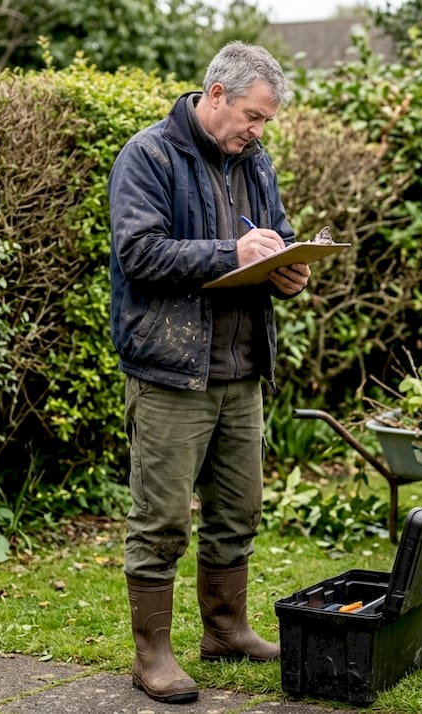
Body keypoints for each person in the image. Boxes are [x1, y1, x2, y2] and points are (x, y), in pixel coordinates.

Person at [107, 41, 310, 705]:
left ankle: (225, 630)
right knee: (162, 518)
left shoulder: (255, 162)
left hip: (241, 369)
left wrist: (288, 269)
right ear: (215, 95)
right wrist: (231, 250)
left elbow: (272, 231)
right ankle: (152, 655)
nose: (258, 131)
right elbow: (138, 253)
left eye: (266, 122)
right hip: (170, 372)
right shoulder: (148, 155)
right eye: (253, 115)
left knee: (239, 511)